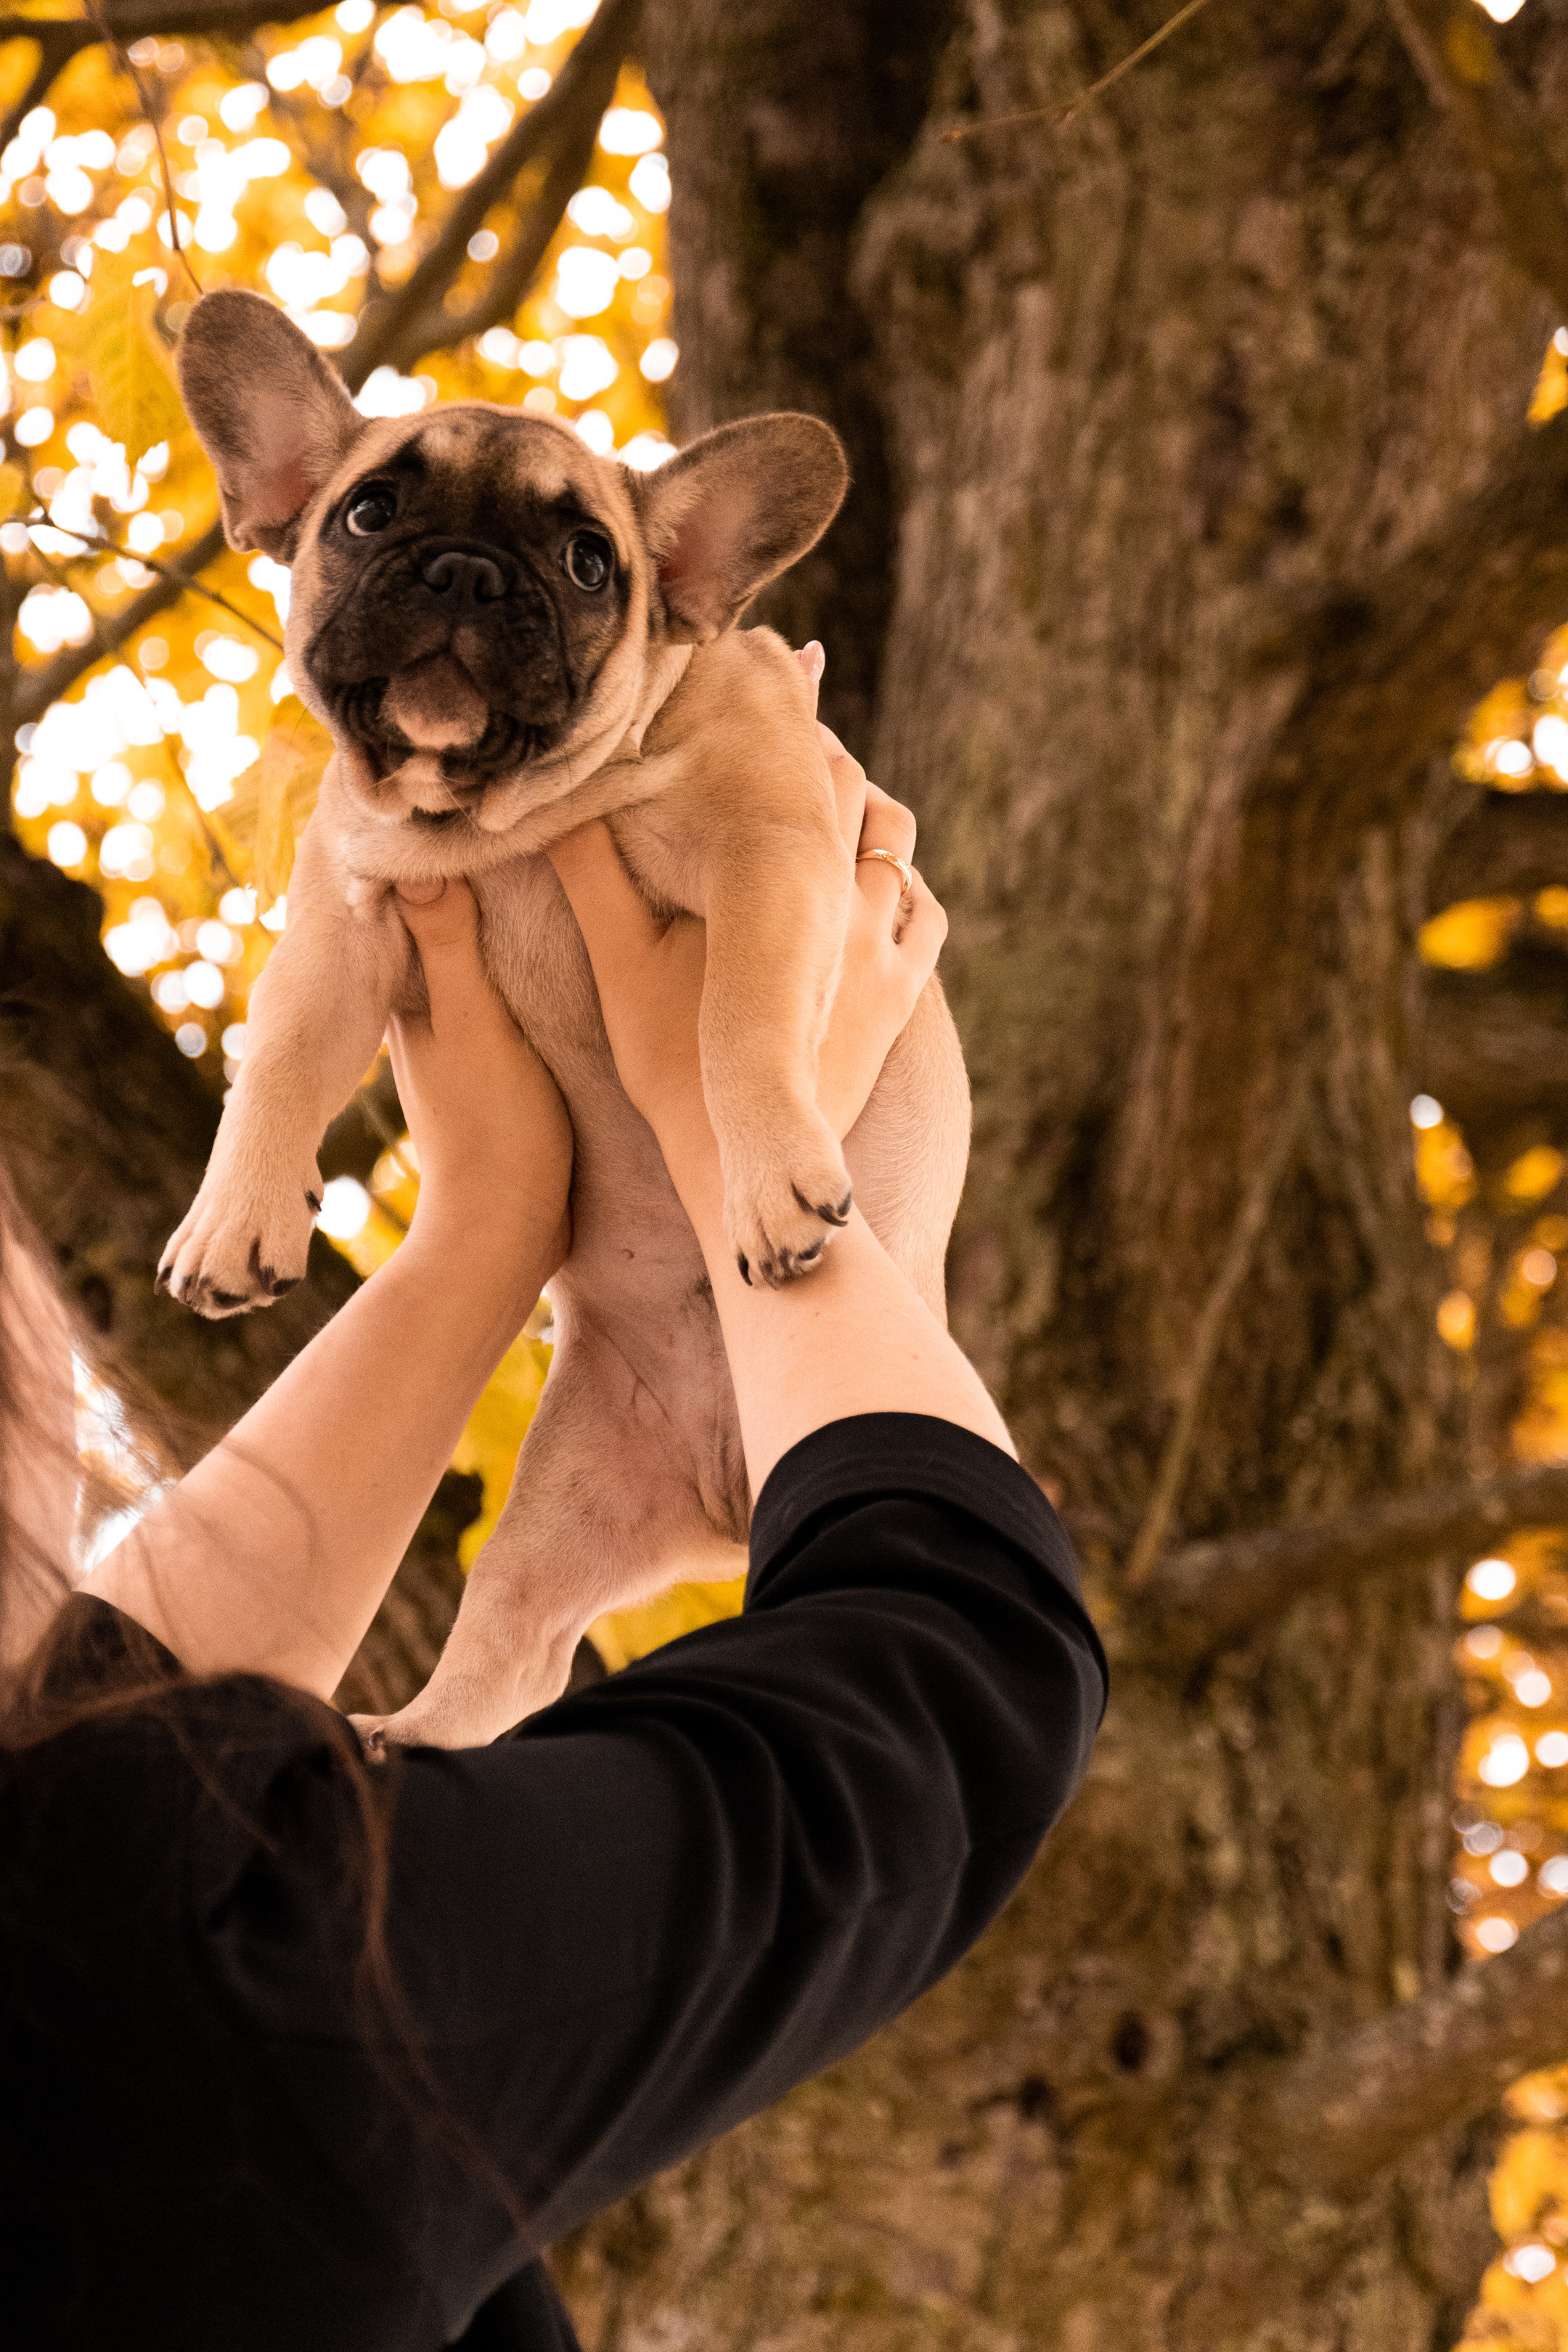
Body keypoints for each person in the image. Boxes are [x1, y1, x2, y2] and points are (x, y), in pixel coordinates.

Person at [0, 666, 1106, 2350]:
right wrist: (745, 1139)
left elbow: (94, 1734)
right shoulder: (159, 1985)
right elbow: (956, 1680)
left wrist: (490, 1227)